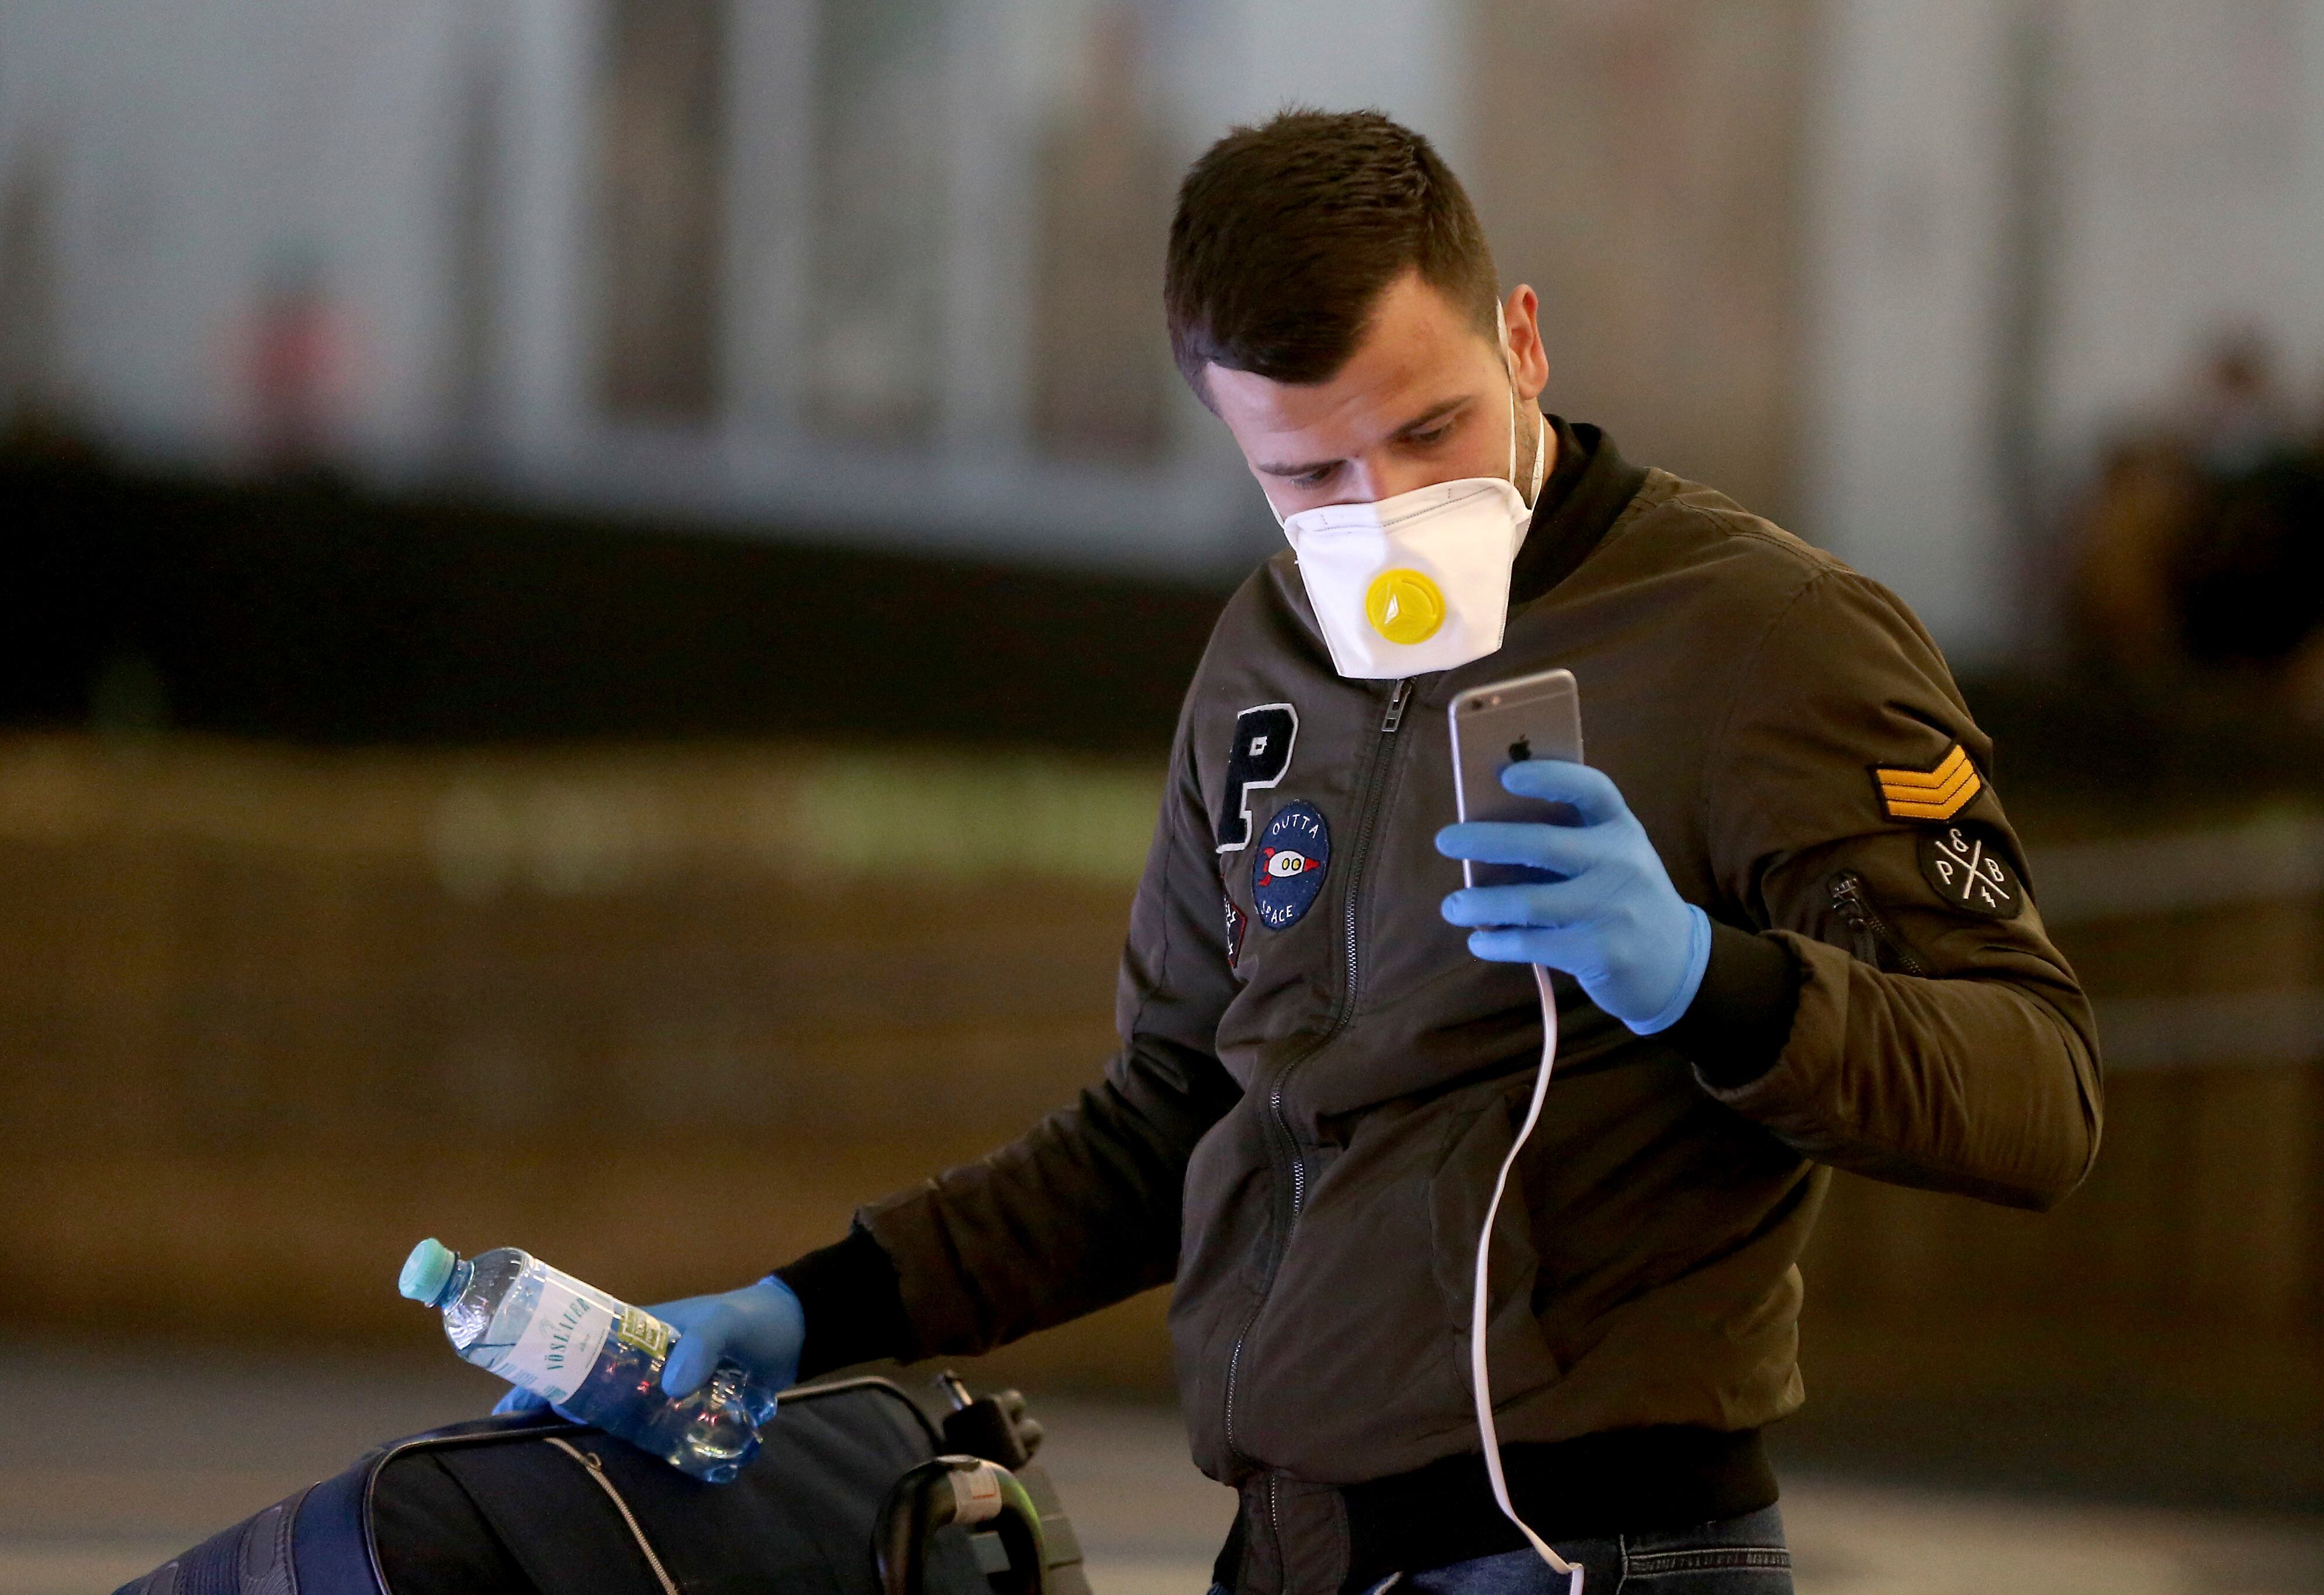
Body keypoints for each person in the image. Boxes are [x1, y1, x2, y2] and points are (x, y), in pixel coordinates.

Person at [505, 111, 2102, 1594]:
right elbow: (1172, 1116)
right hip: (1295, 1546)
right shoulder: (1267, 647)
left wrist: (1712, 984)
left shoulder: (1765, 637)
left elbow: (2038, 1092)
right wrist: (805, 1310)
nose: (1384, 510)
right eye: (1311, 475)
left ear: (1523, 341)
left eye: (1431, 430)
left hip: (1587, 1547)